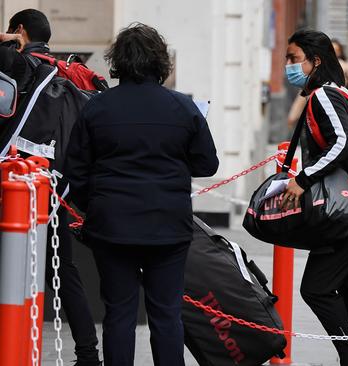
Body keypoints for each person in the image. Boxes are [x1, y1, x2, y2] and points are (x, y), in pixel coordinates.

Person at [64, 23, 219, 366]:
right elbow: (207, 163)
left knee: (118, 314)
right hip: (168, 224)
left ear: (117, 61)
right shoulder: (184, 108)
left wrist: (94, 205)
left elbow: (76, 169)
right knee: (166, 314)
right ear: (160, 61)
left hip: (112, 225)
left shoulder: (96, 107)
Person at [2, 9, 102, 366]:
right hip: (57, 186)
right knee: (62, 268)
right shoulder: (64, 72)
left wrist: (9, 44)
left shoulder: (25, 66)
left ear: (21, 32)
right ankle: (89, 352)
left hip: (18, 183)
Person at [282, 29, 348, 366]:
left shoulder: (325, 96)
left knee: (317, 288)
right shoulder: (336, 93)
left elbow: (343, 143)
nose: (288, 66)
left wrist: (303, 178)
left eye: (294, 59)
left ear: (316, 61)